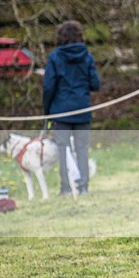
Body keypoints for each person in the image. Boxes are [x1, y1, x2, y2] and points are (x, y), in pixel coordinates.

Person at [42, 20, 101, 196]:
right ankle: (83, 187)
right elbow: (95, 84)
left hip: (61, 111)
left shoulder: (54, 57)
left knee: (63, 150)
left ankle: (66, 188)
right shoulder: (87, 56)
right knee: (82, 148)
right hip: (82, 109)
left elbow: (48, 87)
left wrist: (47, 112)